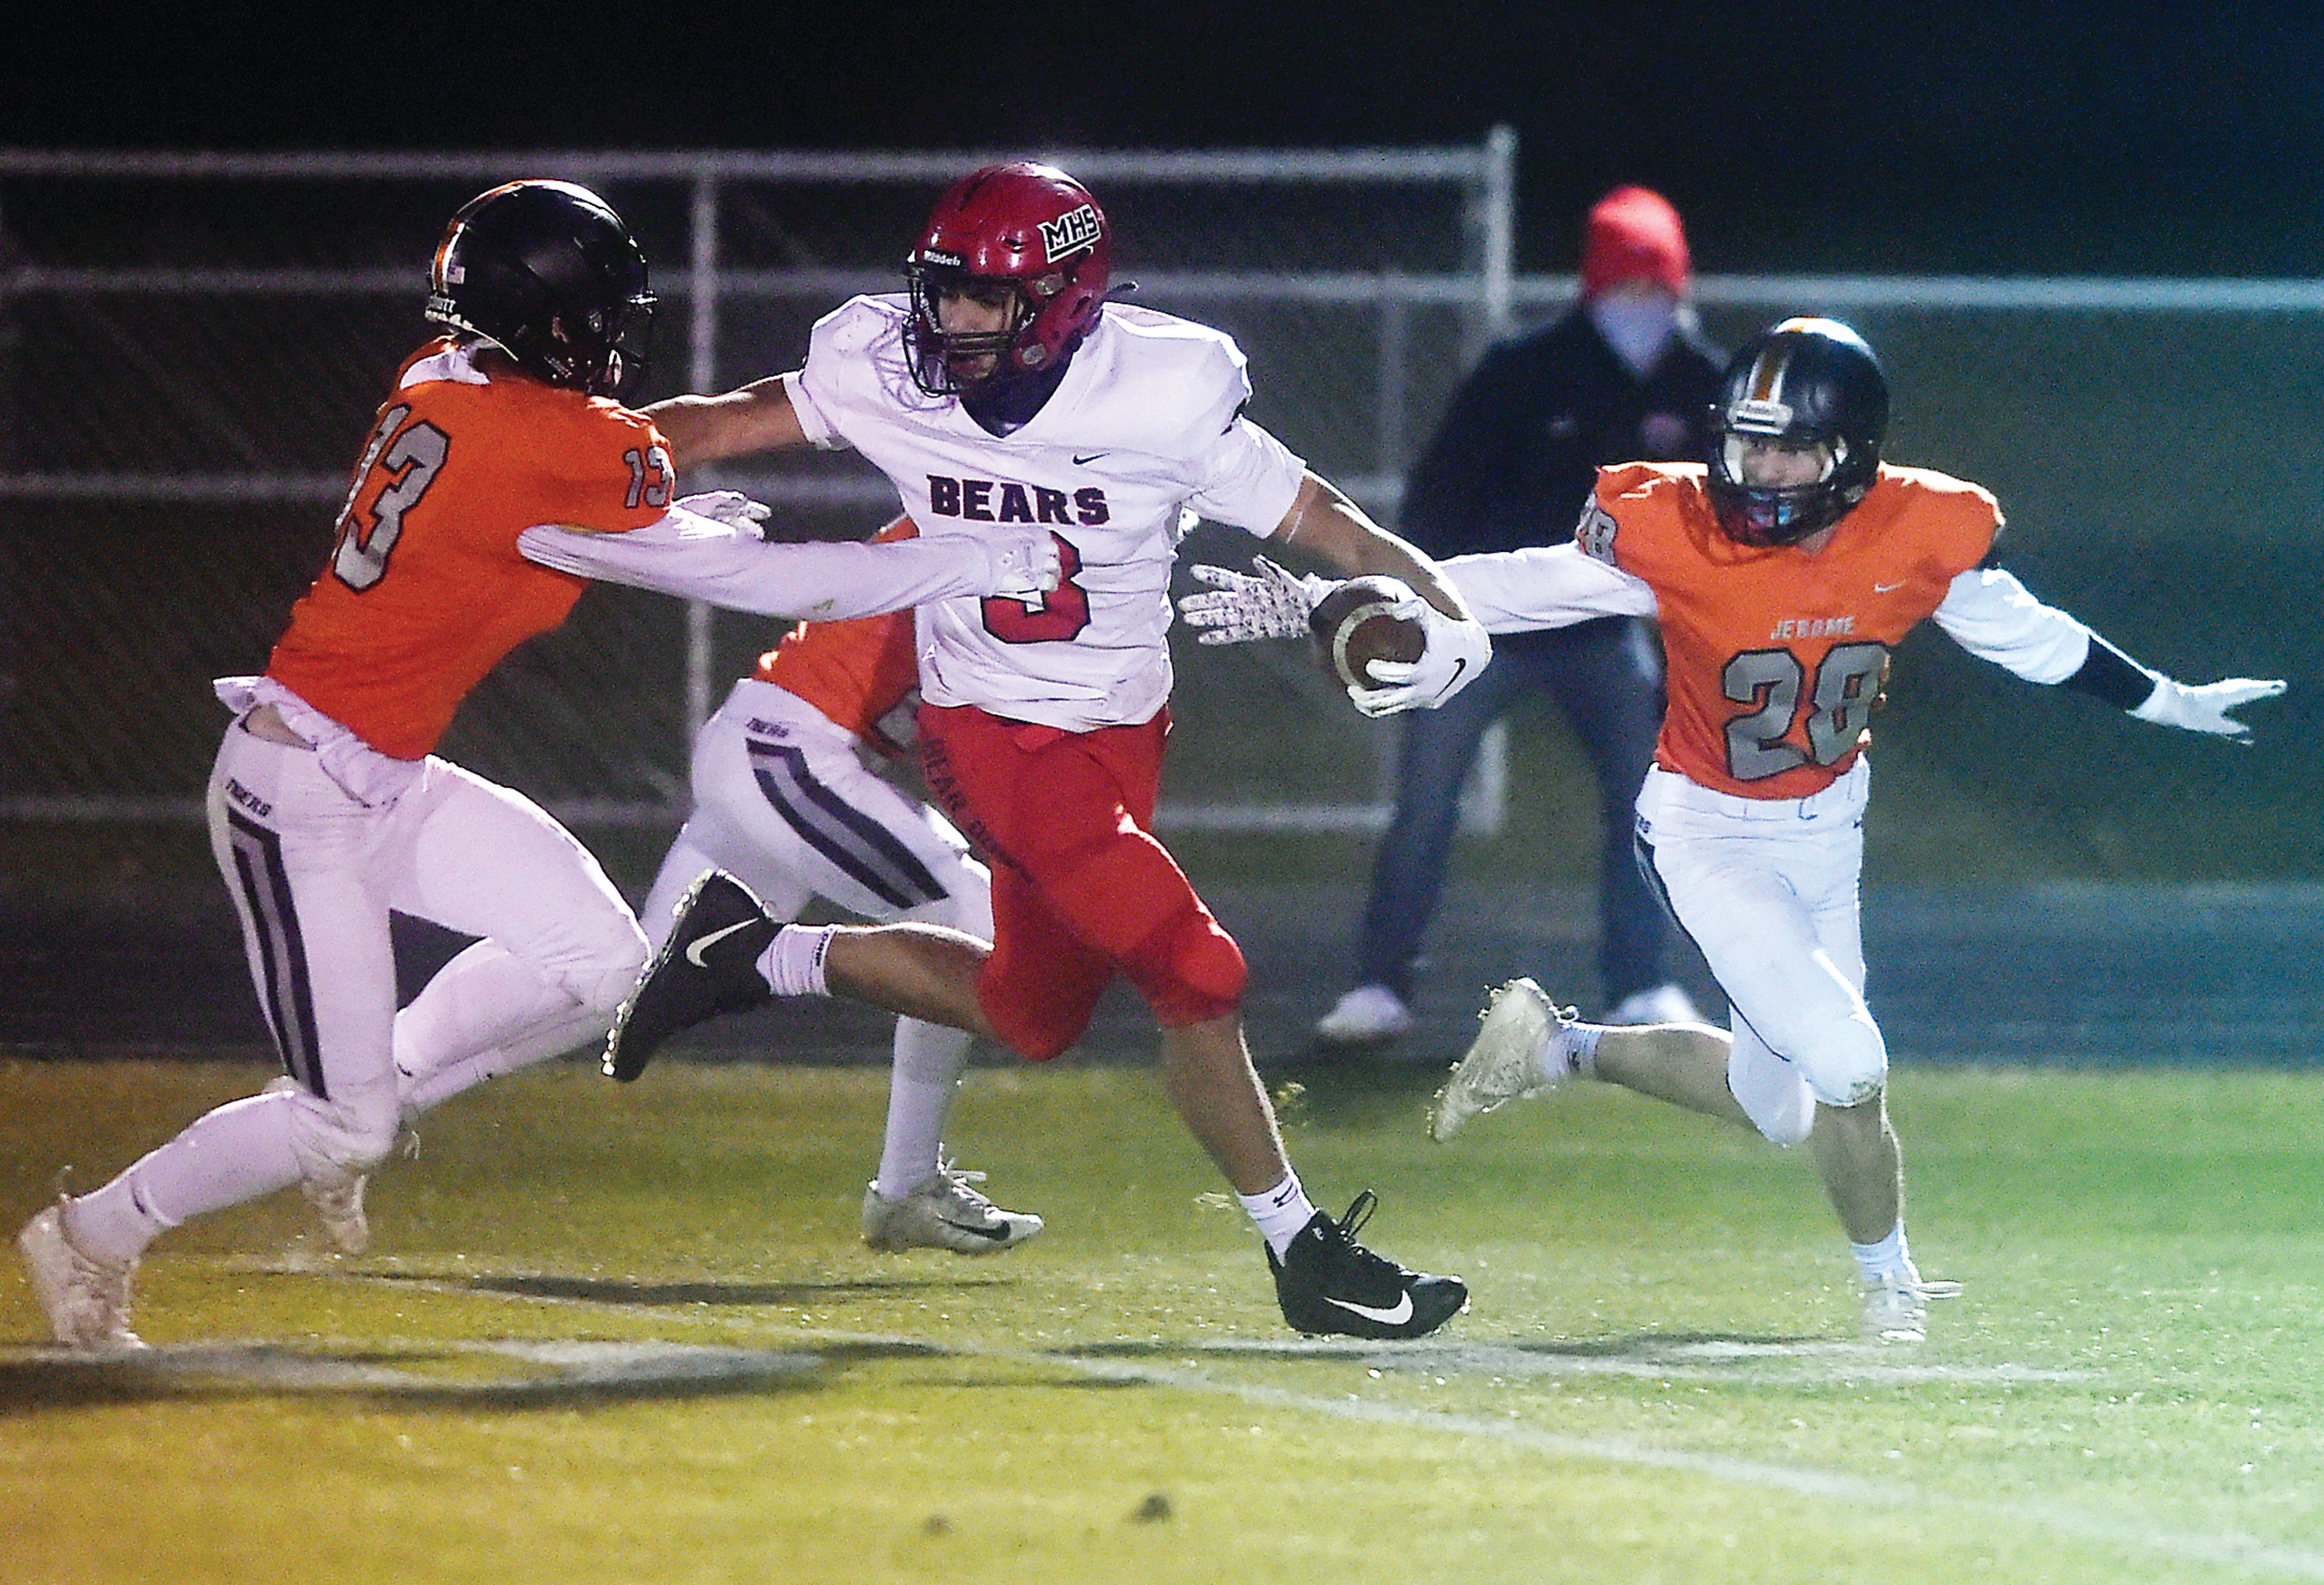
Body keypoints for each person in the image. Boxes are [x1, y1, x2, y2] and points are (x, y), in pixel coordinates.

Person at [15, 179, 1062, 1350]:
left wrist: (676, 528)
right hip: (295, 796)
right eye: (601, 309)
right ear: (550, 316)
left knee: (609, 968)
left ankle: (350, 1098)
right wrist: (965, 564)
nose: (616, 333)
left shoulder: (442, 377)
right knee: (343, 1129)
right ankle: (94, 1231)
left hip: (387, 775)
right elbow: (765, 585)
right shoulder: (546, 439)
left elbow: (530, 520)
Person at [1186, 317, 2283, 1342]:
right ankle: (1890, 1289)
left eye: (1787, 451)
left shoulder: (1920, 525)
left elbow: (2031, 641)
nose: (1758, 472)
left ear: (1850, 453)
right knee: (1850, 1060)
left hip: (1827, 831)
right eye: (1746, 445)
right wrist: (1324, 597)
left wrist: (2169, 701)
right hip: (1708, 829)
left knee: (1781, 1107)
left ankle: (1558, 1045)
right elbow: (1517, 588)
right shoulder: (1680, 524)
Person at [602, 160, 1494, 1339]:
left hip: (1122, 731)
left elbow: (1324, 516)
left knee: (1033, 1011)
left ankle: (754, 951)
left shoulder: (1160, 389)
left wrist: (1450, 619)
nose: (952, 320)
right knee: (1197, 968)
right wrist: (551, 460)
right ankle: (1303, 1251)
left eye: (985, 299)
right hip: (993, 736)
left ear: (1067, 296)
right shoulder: (884, 363)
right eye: (942, 292)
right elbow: (719, 423)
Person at [389, 516, 1042, 1258]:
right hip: (793, 754)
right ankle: (903, 1184)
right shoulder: (993, 513)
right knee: (968, 909)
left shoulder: (998, 505)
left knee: (626, 973)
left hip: (772, 748)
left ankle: (382, 1088)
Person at [1316, 185, 1723, 1049]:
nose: (1644, 309)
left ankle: (1643, 982)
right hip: (1485, 627)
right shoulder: (1524, 367)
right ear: (1595, 285)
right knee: (1426, 804)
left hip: (1606, 638)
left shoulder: (1700, 381)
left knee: (1651, 805)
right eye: (1629, 287)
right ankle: (1379, 985)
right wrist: (1425, 603)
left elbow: (1723, 515)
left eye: (1659, 289)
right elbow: (1438, 490)